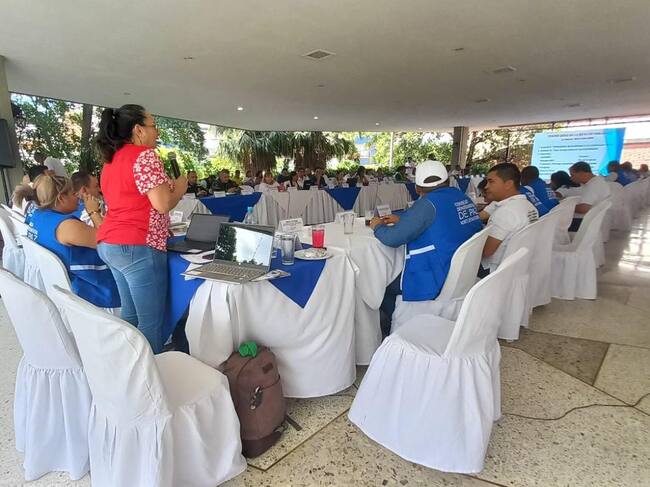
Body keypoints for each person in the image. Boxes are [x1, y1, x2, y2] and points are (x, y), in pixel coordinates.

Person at [95, 104, 188, 353]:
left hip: (111, 244)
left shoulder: (111, 160)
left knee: (131, 315)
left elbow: (132, 200)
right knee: (150, 323)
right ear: (138, 130)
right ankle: (150, 375)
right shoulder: (144, 156)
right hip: (137, 247)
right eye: (153, 126)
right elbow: (162, 204)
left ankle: (126, 366)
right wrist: (180, 188)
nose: (157, 132)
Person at [371, 160, 482, 333]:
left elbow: (392, 238)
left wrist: (377, 226)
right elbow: (442, 221)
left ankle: (397, 330)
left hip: (434, 275)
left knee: (378, 282)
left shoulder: (427, 203)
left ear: (417, 188)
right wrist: (404, 220)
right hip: (460, 271)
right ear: (447, 181)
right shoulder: (462, 197)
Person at [25, 174, 120, 308]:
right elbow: (112, 244)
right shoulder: (66, 226)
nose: (77, 196)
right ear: (61, 198)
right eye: (72, 193)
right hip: (98, 290)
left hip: (65, 286)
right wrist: (93, 212)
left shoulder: (37, 216)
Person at [480, 163, 539, 274]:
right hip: (519, 265)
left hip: (494, 270)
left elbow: (486, 252)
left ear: (508, 184)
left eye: (491, 182)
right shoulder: (529, 206)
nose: (486, 186)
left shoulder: (506, 212)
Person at [568, 161, 611, 232]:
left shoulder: (593, 185)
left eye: (572, 175)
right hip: (594, 220)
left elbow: (583, 209)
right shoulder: (597, 181)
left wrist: (566, 206)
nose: (571, 178)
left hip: (586, 222)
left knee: (557, 223)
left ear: (581, 173)